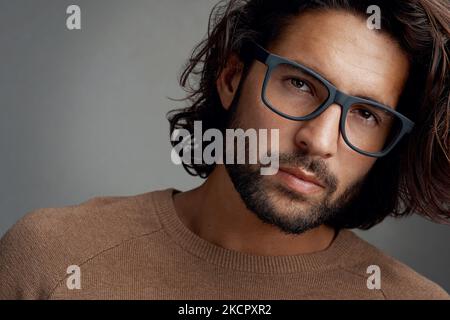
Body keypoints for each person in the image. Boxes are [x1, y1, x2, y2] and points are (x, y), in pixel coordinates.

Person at [1, 0, 449, 299]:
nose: (320, 140)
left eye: (366, 114)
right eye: (299, 84)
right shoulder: (53, 256)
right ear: (233, 78)